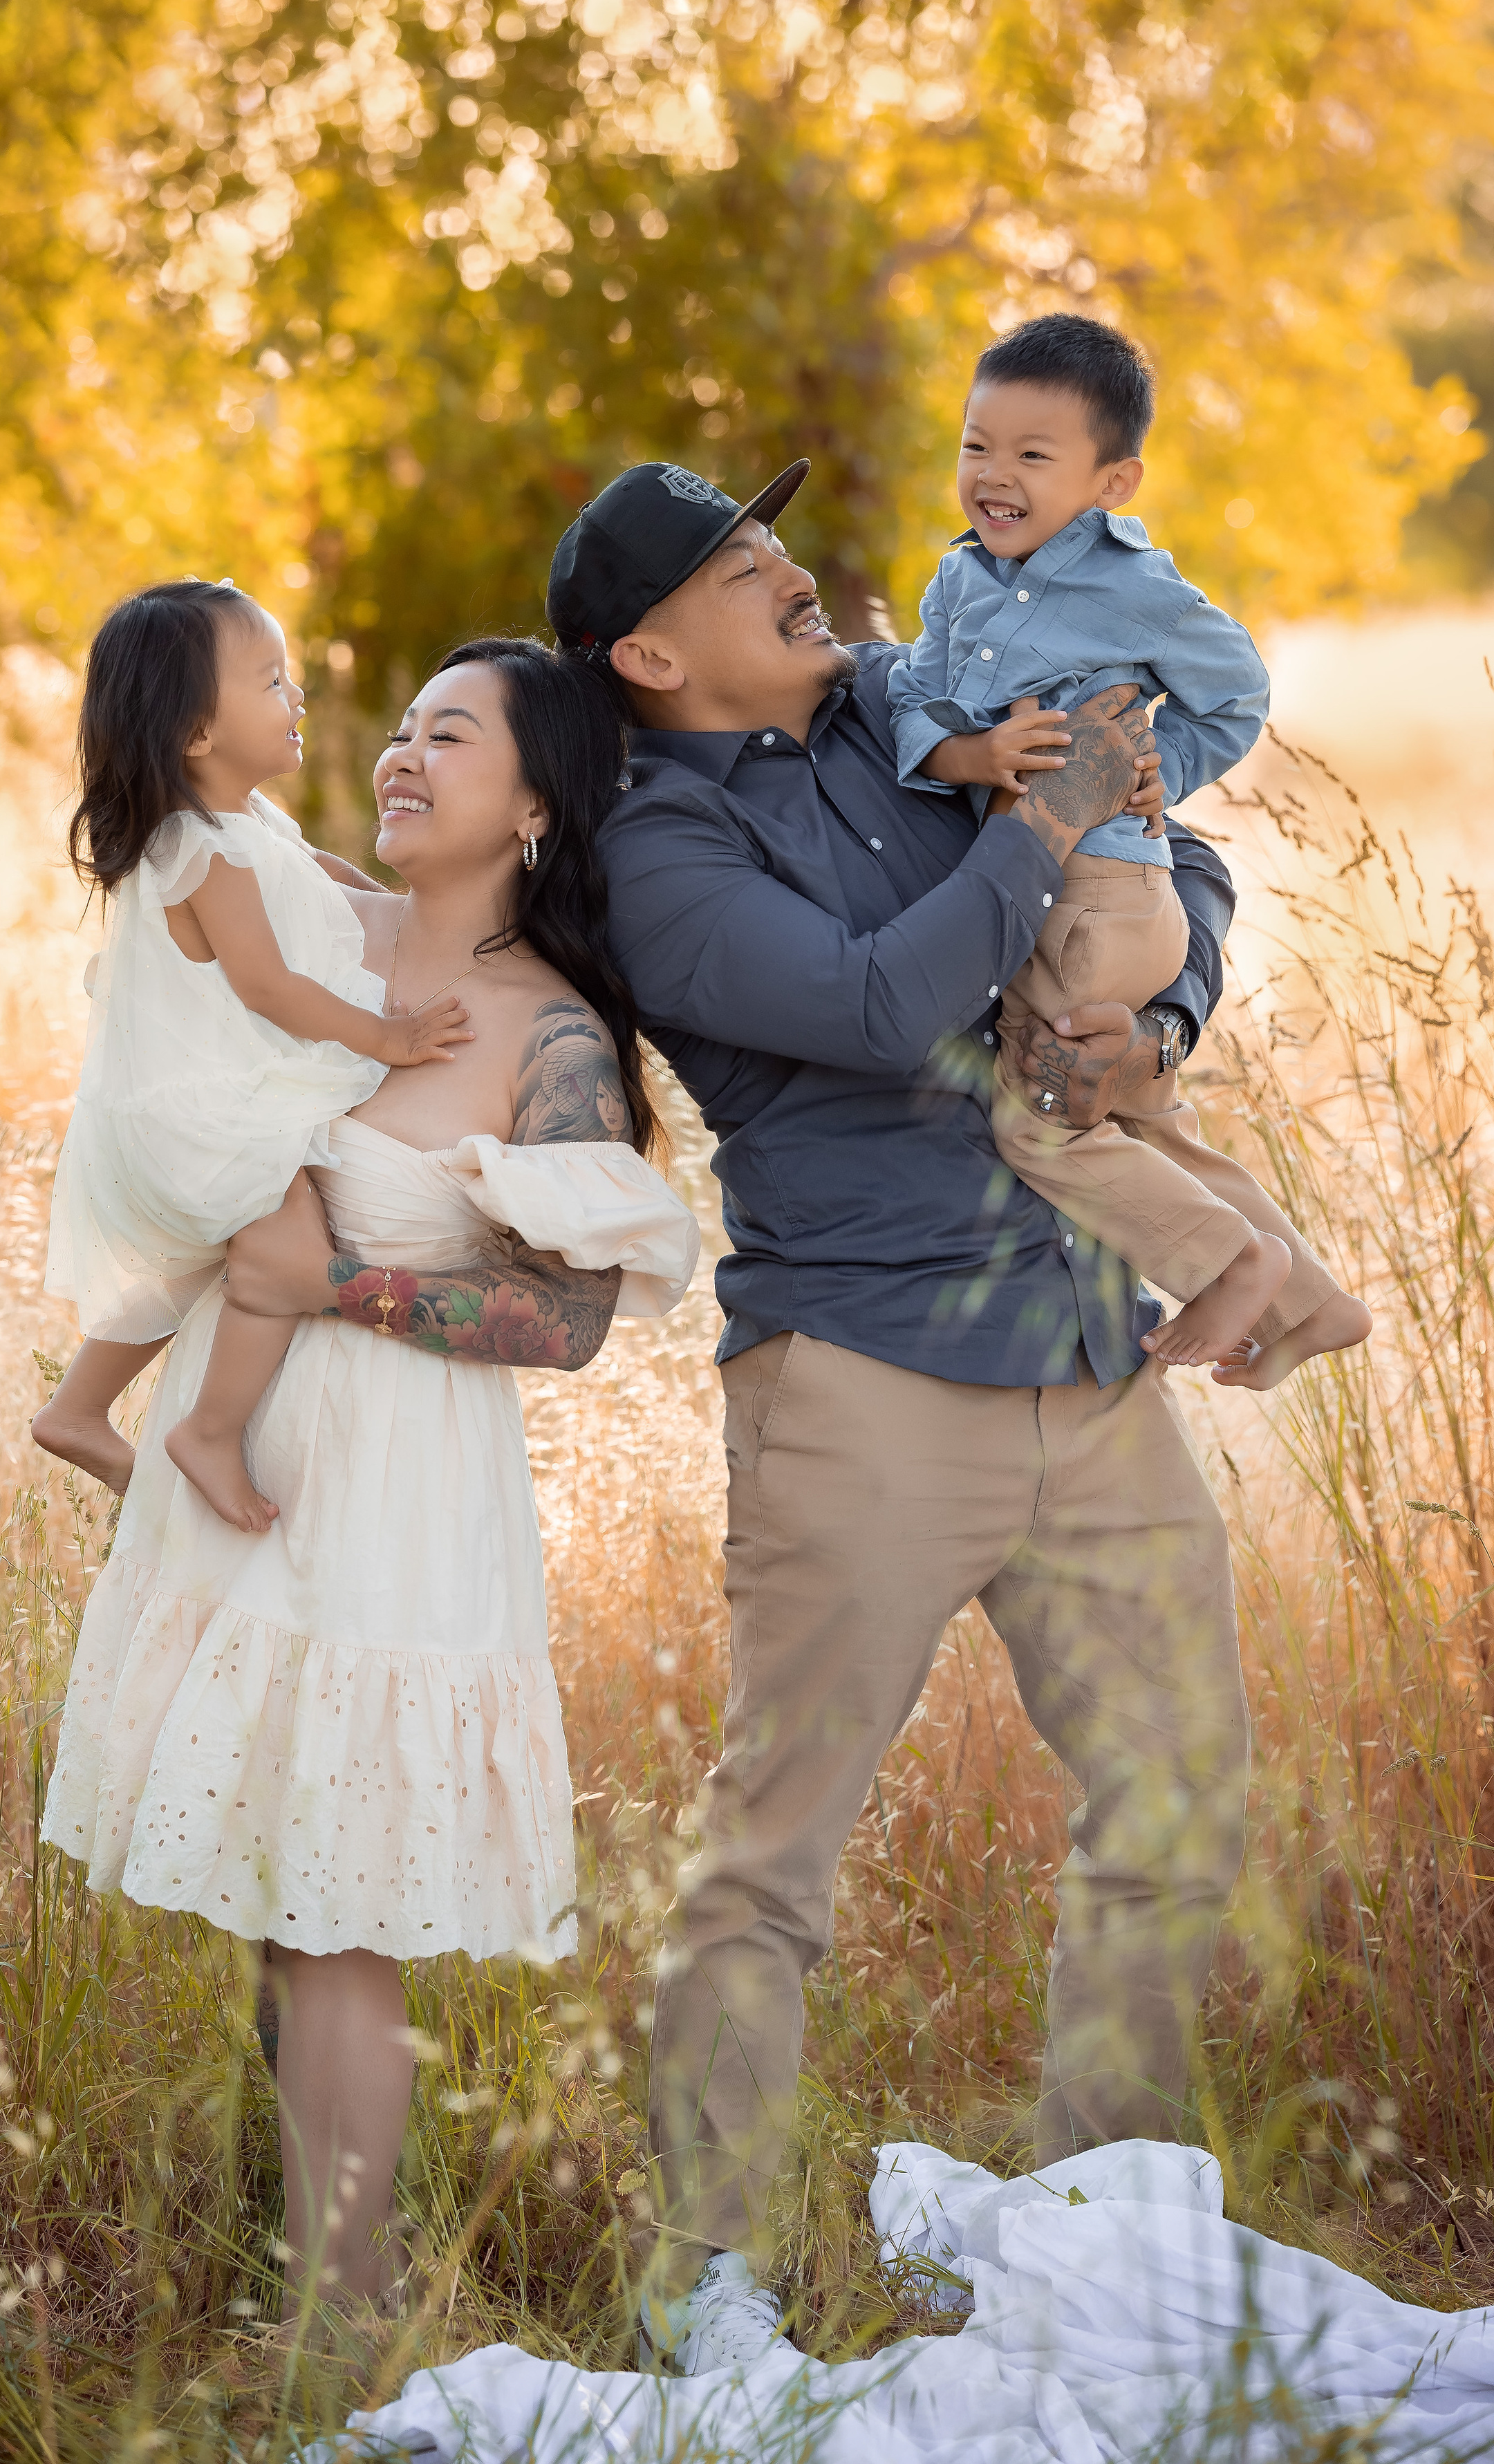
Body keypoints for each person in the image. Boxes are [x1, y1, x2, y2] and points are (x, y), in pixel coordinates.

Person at [543, 456, 1272, 2372]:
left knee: (1180, 1794)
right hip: (861, 1383)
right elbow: (877, 1003)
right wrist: (1035, 838)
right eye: (730, 565)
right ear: (648, 650)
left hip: (1088, 1353)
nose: (784, 567)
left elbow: (1168, 834)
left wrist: (1163, 1009)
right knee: (775, 1851)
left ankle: (1100, 2237)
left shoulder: (908, 691)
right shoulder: (659, 854)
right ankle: (705, 2267)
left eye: (769, 538)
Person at [39, 637, 700, 2321]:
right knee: (272, 1882)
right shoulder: (315, 923)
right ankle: (320, 2268)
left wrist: (332, 1286)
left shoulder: (552, 1034)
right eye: (397, 727)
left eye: (449, 736)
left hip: (393, 1489)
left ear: (538, 800)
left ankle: (346, 2324)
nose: (400, 755)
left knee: (338, 1911)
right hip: (245, 1444)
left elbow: (565, 1323)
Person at [887, 314, 1371, 1386]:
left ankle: (1231, 1264)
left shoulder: (1136, 587)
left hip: (1097, 895)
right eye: (976, 445)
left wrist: (1167, 771)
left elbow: (1237, 691)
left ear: (1113, 481)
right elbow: (914, 696)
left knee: (1041, 1124)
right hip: (1086, 897)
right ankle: (1313, 1304)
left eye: (1032, 455)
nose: (993, 475)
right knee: (1145, 1120)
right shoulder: (956, 585)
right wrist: (972, 755)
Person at [32, 577, 471, 1533]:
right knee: (286, 1254)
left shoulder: (247, 827)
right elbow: (269, 986)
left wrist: (415, 913)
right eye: (272, 681)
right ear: (196, 733)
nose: (298, 698)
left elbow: (327, 880)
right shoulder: (201, 849)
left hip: (187, 1103)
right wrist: (389, 1038)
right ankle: (210, 1433)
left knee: (192, 1262)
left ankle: (75, 1410)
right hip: (204, 1110)